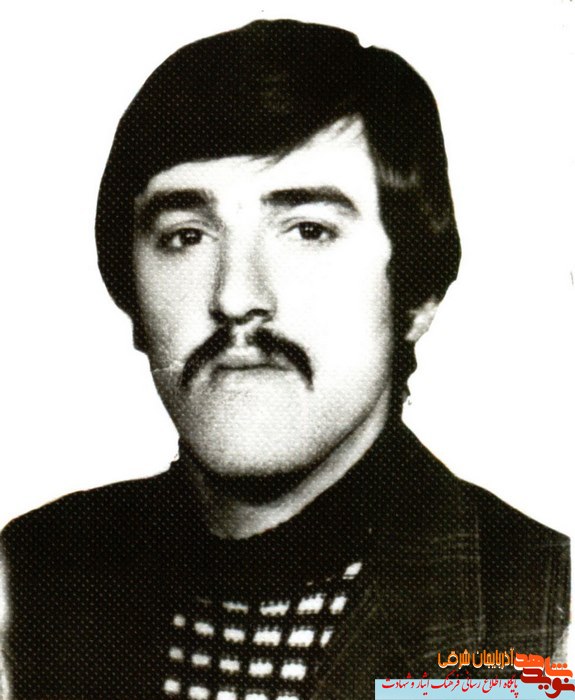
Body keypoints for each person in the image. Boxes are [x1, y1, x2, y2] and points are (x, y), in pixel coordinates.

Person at [0, 19, 569, 700]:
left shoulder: (542, 620)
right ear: (134, 305)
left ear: (415, 298)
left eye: (308, 230)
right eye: (186, 236)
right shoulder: (30, 583)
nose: (236, 296)